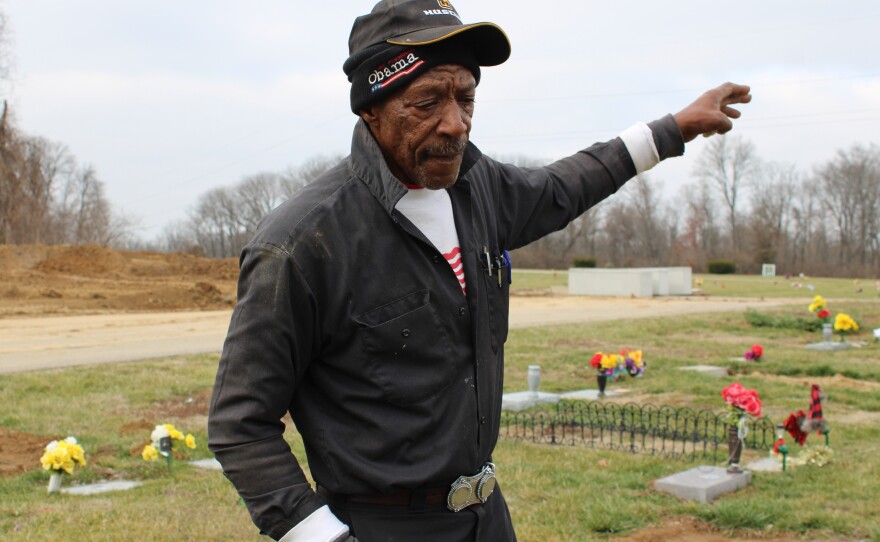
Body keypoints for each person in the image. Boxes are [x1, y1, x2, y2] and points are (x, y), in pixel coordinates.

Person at [207, 1, 751, 541]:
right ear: (371, 106)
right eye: (427, 101)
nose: (455, 123)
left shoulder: (477, 187)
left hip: (486, 517)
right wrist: (322, 538)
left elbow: (565, 186)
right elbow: (241, 425)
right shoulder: (302, 244)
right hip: (379, 527)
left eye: (466, 98)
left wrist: (672, 128)